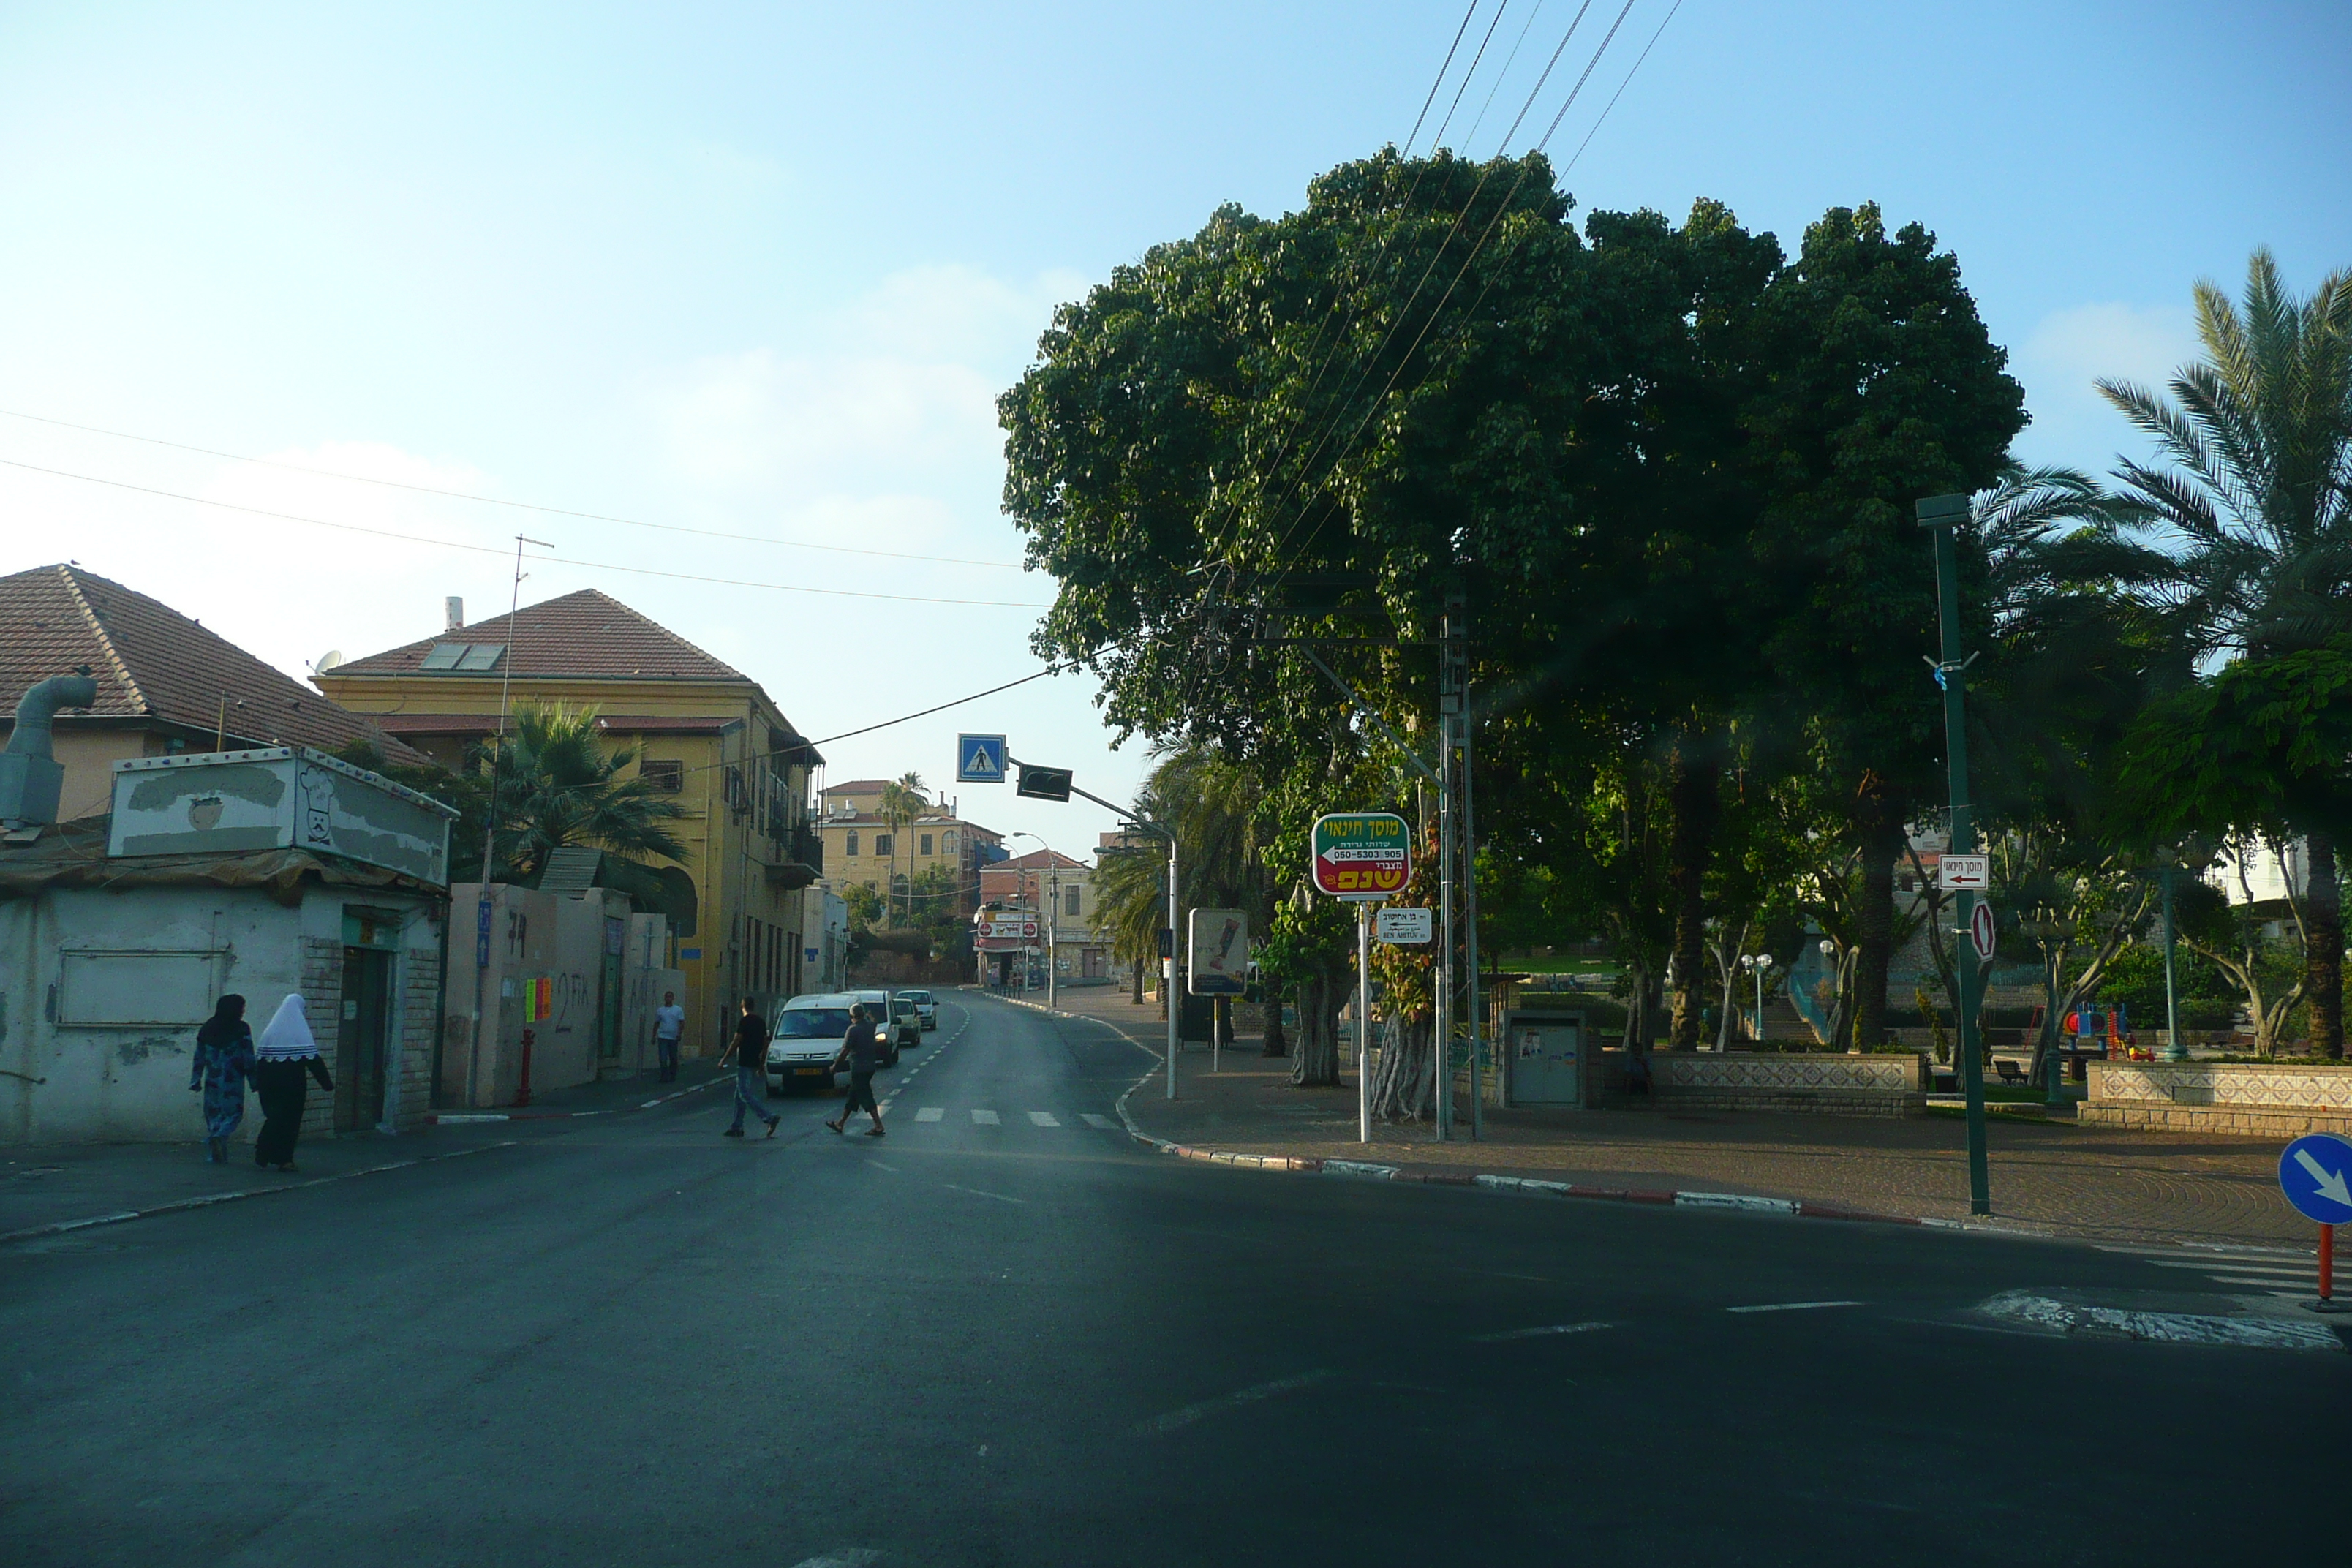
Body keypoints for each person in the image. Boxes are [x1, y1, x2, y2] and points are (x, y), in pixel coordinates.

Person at [252, 995, 334, 1171]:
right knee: (290, 1122)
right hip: (293, 1085)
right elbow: (313, 1060)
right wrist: (327, 1084)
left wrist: (257, 1084)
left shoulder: (270, 1032)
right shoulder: (299, 1031)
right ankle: (284, 1159)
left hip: (269, 1085)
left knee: (273, 1117)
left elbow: (259, 1061)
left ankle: (263, 1152)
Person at [188, 994, 256, 1164]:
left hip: (212, 1080)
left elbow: (199, 1057)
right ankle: (220, 1137)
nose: (243, 1011)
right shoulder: (241, 1029)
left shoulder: (207, 1028)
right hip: (233, 1080)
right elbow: (248, 1057)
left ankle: (216, 1154)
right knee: (233, 1114)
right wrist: (254, 1080)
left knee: (213, 1115)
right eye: (242, 1007)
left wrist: (195, 1079)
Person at [720, 996, 779, 1139]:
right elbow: (765, 1044)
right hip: (755, 1062)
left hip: (744, 1062)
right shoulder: (760, 1022)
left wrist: (724, 1059)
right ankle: (737, 1126)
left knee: (744, 1094)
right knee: (738, 1096)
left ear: (743, 1006)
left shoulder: (744, 1021)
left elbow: (736, 1041)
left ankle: (769, 1117)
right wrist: (762, 1064)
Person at [825, 1003, 886, 1138]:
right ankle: (840, 1123)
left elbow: (845, 1051)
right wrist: (870, 1016)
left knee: (866, 1096)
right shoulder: (870, 1027)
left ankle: (878, 1125)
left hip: (858, 1068)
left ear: (852, 1016)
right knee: (853, 1095)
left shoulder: (852, 1030)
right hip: (870, 1067)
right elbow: (875, 1022)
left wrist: (835, 1066)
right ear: (863, 1015)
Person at [652, 990, 685, 1083]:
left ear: (673, 998)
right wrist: (653, 1036)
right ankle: (664, 1076)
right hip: (662, 1036)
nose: (668, 999)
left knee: (673, 1057)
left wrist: (679, 1034)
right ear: (664, 998)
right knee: (663, 1058)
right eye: (667, 997)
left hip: (673, 1037)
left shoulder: (678, 1010)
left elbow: (682, 1022)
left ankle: (672, 1075)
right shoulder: (660, 1010)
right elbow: (657, 1023)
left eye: (670, 997)